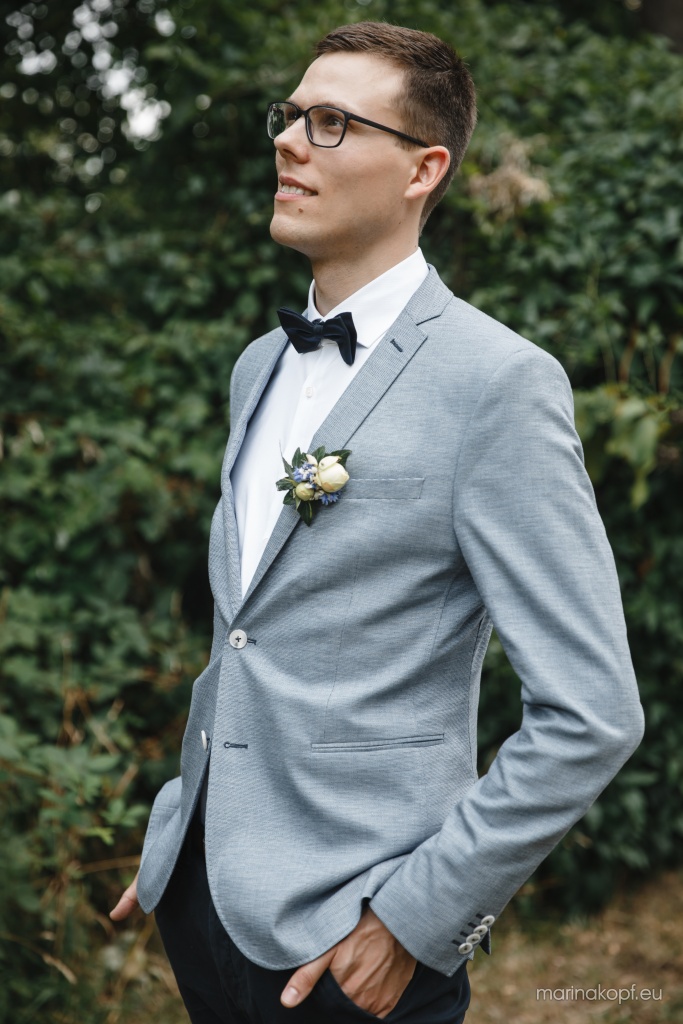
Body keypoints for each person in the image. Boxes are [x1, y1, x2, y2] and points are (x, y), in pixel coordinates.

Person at [110, 21, 645, 1024]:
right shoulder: (259, 367)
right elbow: (249, 629)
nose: (287, 140)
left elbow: (593, 714)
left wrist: (420, 921)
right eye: (289, 115)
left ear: (421, 169)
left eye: (330, 122)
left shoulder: (498, 384)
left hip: (355, 939)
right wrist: (181, 832)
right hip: (200, 904)